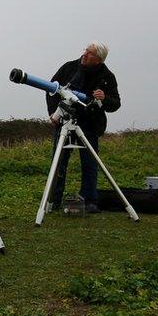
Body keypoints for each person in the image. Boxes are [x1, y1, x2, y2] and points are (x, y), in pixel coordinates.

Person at [45, 42, 121, 213]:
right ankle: (53, 200)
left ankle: (90, 200)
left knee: (89, 164)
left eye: (90, 53)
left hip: (89, 124)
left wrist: (104, 98)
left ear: (99, 60)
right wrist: (53, 113)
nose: (85, 54)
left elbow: (115, 103)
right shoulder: (69, 68)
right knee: (58, 163)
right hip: (65, 120)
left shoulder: (107, 76)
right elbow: (51, 90)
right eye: (85, 50)